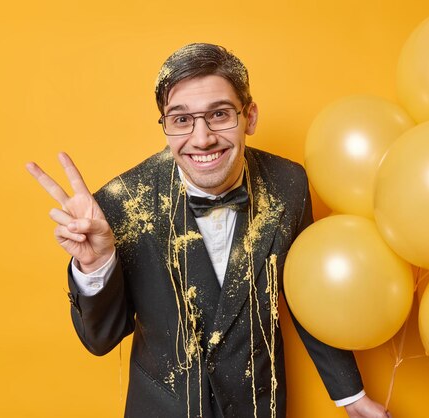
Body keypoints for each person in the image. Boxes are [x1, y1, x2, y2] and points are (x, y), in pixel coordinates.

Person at [27, 43, 391, 418]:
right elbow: (100, 340)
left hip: (257, 407)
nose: (202, 139)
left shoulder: (289, 184)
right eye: (181, 119)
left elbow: (308, 293)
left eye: (219, 115)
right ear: (165, 124)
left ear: (249, 117)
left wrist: (350, 394)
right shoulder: (121, 202)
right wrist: (96, 264)